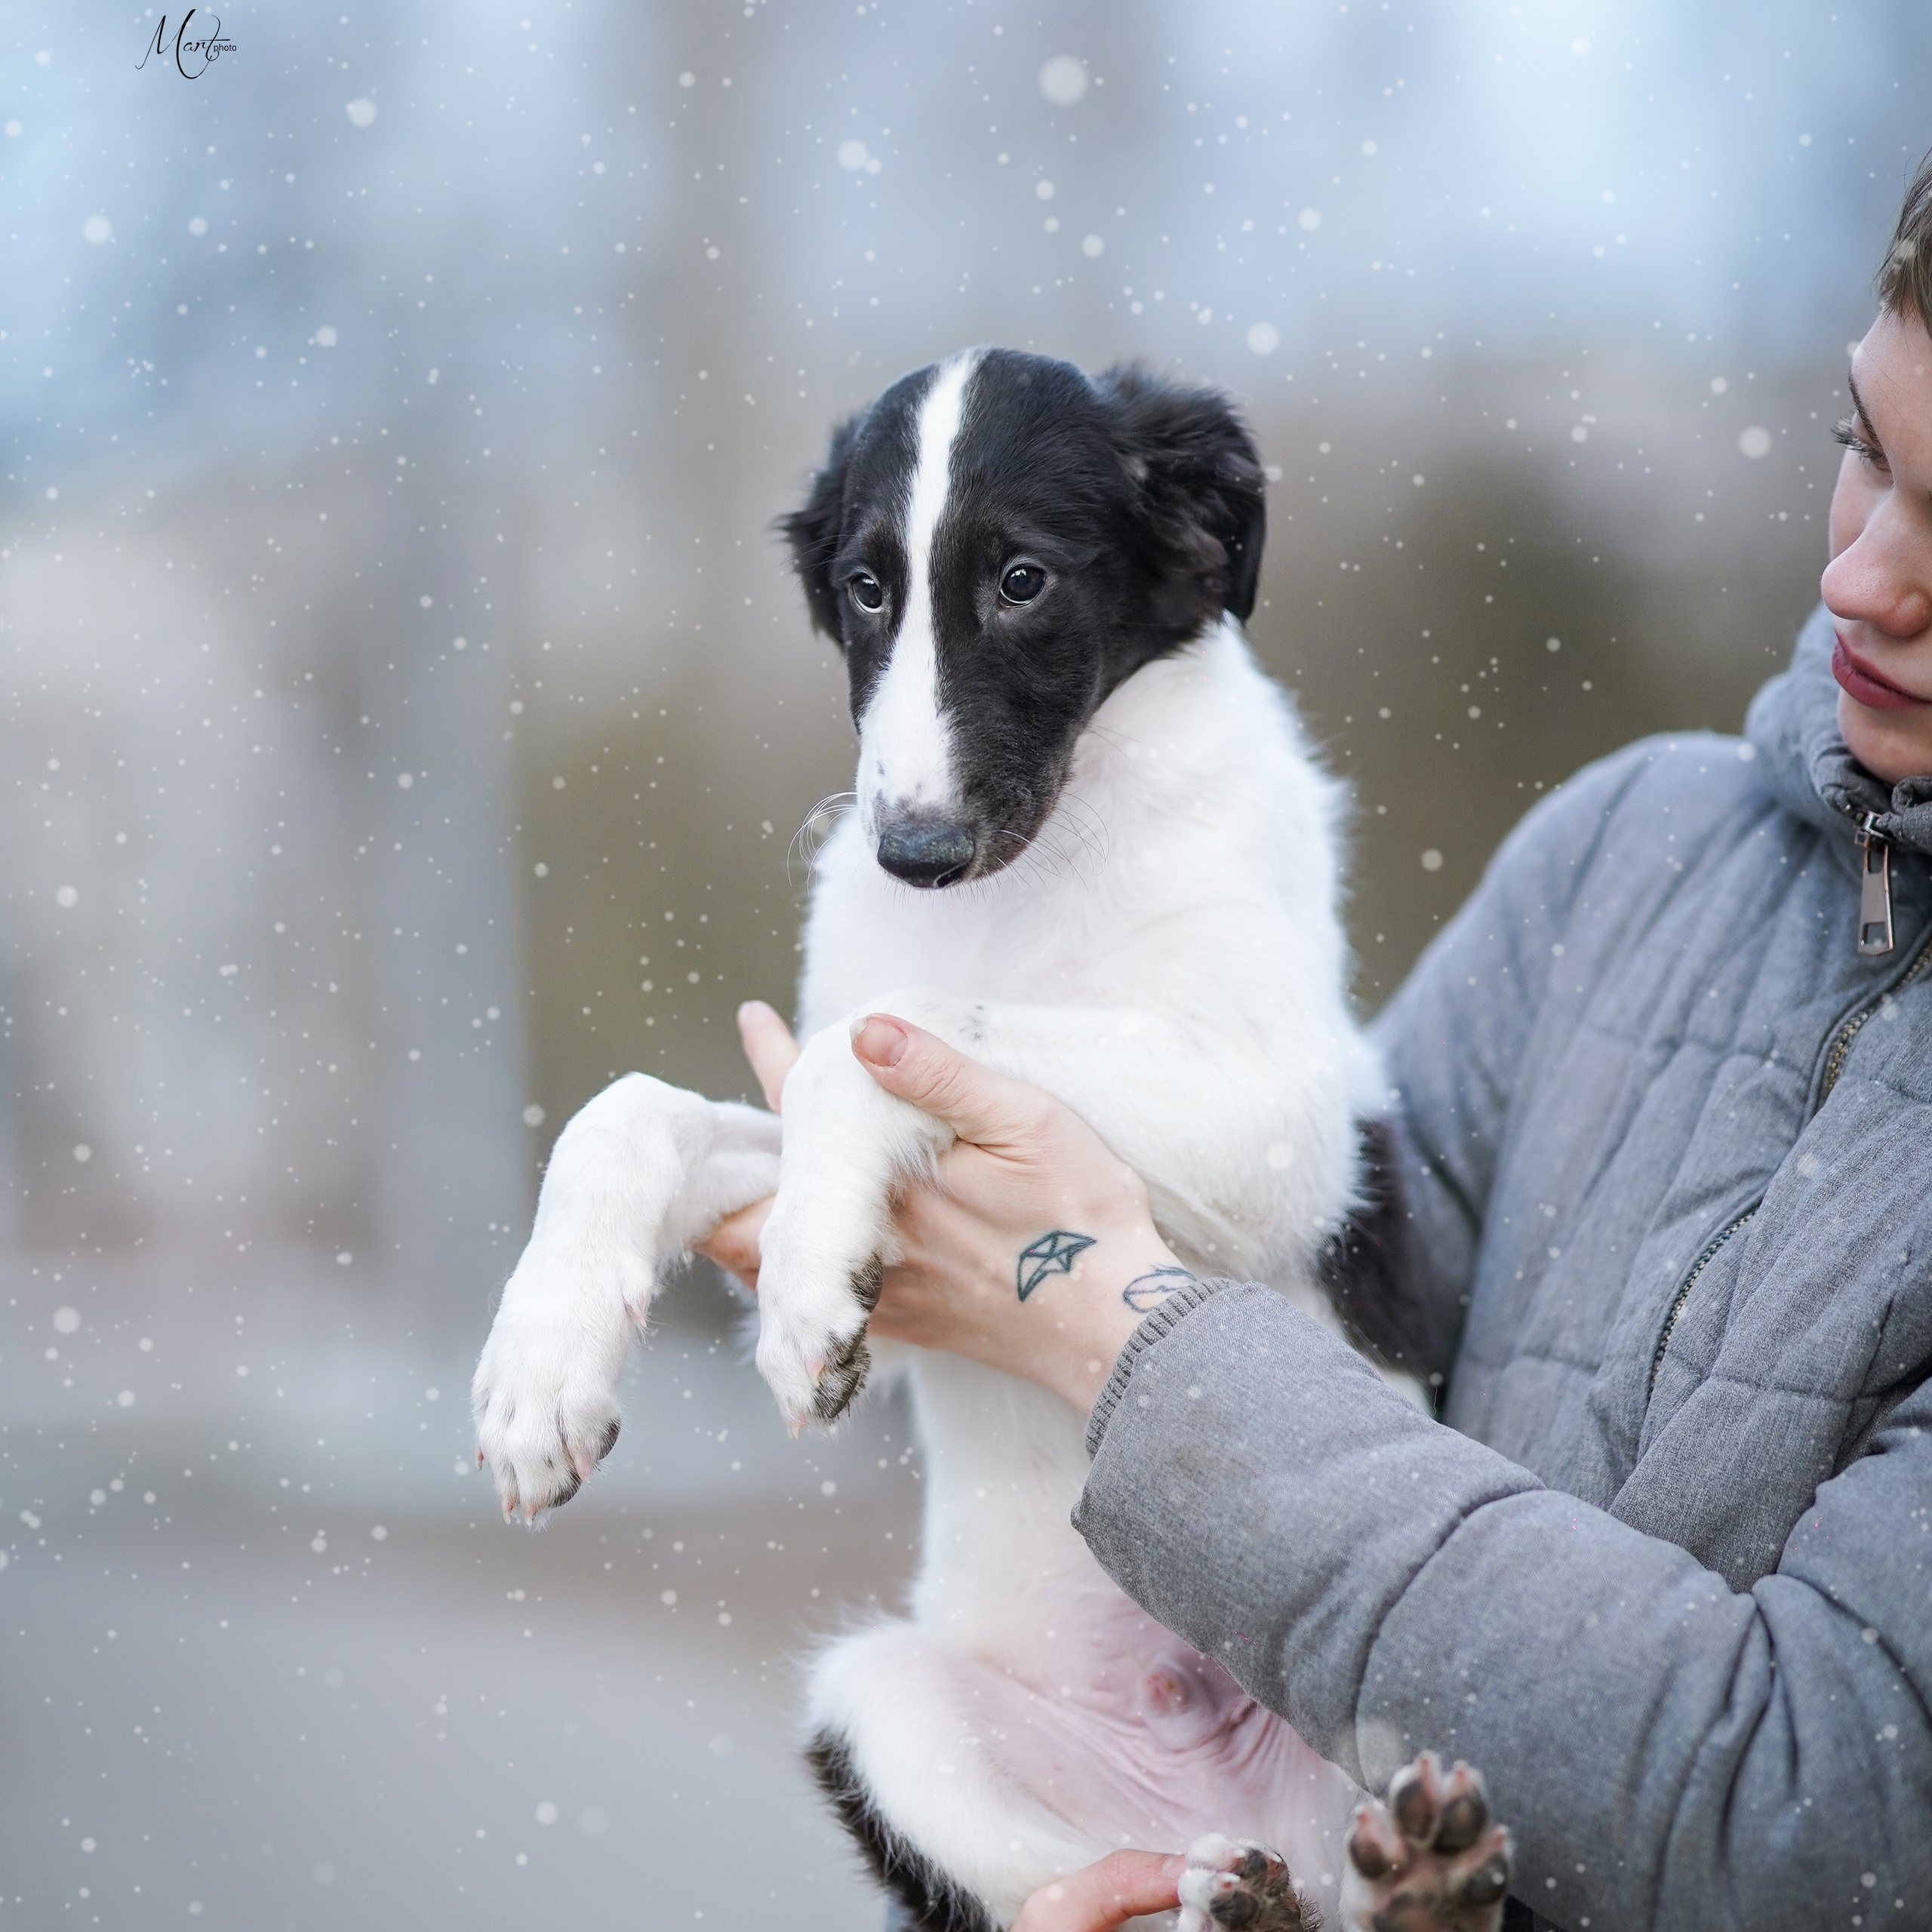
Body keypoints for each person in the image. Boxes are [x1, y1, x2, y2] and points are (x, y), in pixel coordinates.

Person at [701, 158, 1932, 1932]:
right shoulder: (1625, 854)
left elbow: (1805, 1815)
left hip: (1358, 1783)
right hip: (1232, 1786)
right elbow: (1313, 1235)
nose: (1862, 572)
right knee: (874, 1708)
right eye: (1866, 448)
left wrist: (1084, 1304)